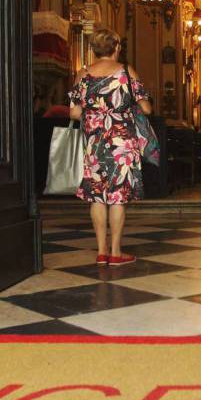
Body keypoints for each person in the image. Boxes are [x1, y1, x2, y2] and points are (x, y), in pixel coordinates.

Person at [68, 28, 153, 266]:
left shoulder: (82, 74)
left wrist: (96, 112)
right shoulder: (126, 72)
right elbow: (146, 109)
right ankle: (116, 252)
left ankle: (101, 251)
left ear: (94, 50)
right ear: (116, 47)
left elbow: (74, 113)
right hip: (122, 142)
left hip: (95, 142)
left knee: (97, 197)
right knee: (118, 197)